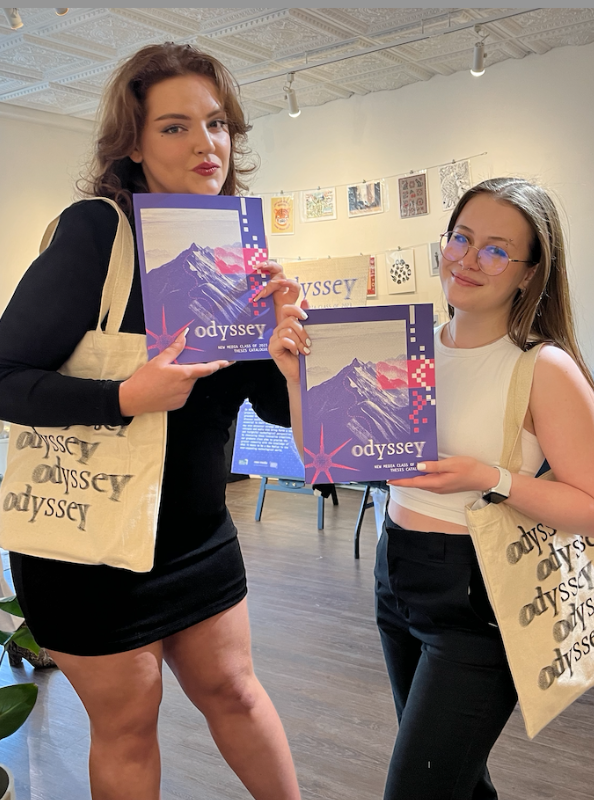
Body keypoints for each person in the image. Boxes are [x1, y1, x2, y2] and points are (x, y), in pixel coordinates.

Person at [0, 43, 301, 800]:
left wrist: (293, 354)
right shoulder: (98, 234)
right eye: (175, 127)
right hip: (89, 546)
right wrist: (124, 398)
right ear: (133, 143)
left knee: (235, 692)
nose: (206, 144)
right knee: (130, 724)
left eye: (218, 123)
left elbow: (270, 406)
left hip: (197, 537)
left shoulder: (237, 250)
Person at [269, 176, 594, 799]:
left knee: (419, 788)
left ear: (530, 272)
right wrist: (295, 380)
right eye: (461, 238)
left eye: (497, 250)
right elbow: (322, 458)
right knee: (455, 778)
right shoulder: (409, 347)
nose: (469, 260)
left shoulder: (541, 366)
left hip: (480, 595)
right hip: (397, 574)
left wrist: (491, 478)